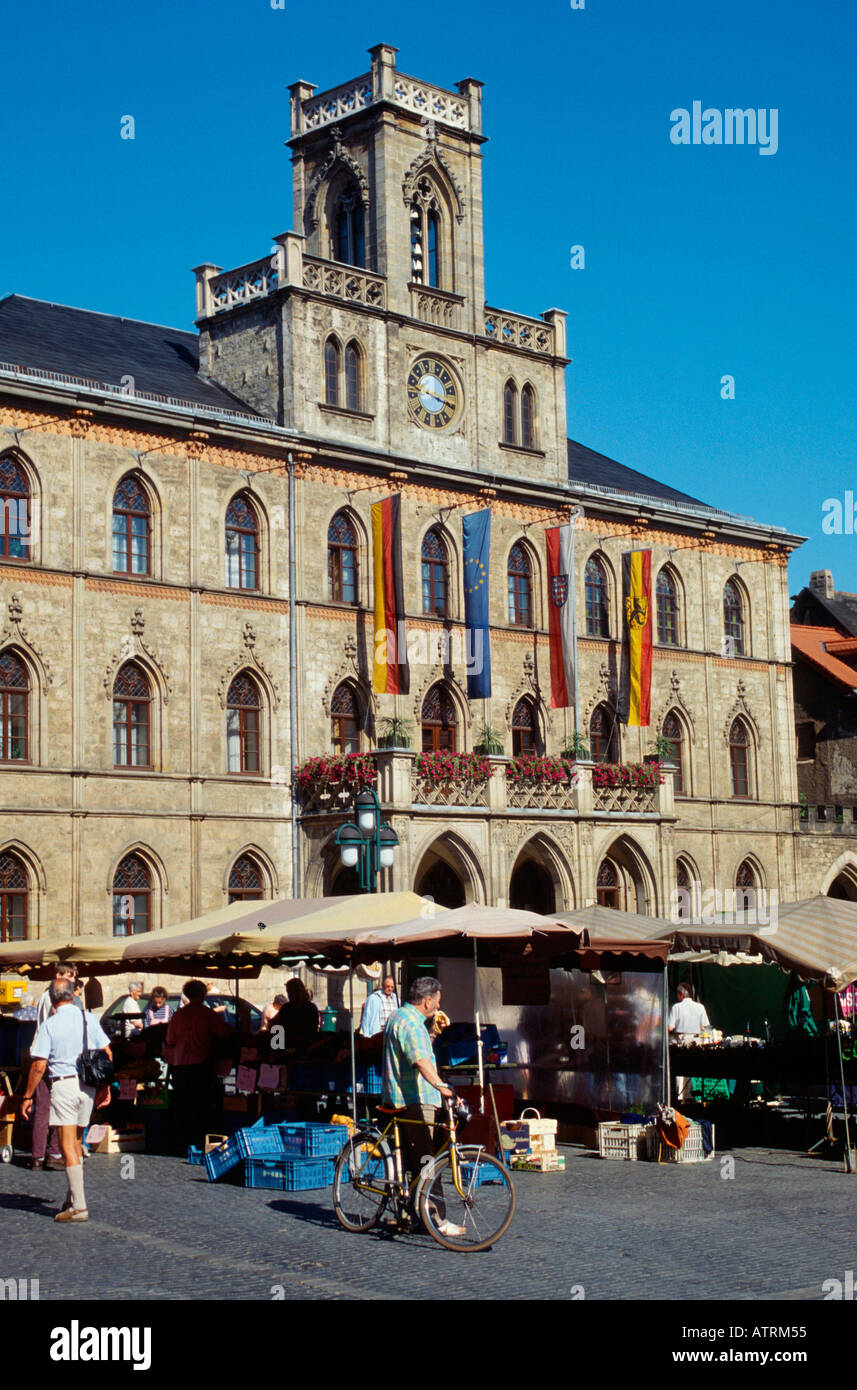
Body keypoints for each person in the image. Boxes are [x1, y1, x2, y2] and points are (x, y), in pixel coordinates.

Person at [21, 976, 112, 1222]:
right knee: (77, 1141)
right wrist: (105, 1087)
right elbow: (107, 1052)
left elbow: (39, 1064)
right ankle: (72, 1197)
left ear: (52, 998)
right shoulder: (88, 1018)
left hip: (64, 1085)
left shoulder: (51, 1024)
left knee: (66, 1146)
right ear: (73, 995)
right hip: (88, 1087)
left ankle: (79, 1206)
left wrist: (27, 1096)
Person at [382, 976, 462, 1238]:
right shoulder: (412, 1025)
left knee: (412, 1162)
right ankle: (435, 1219)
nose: (438, 1007)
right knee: (429, 1162)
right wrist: (442, 1086)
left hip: (396, 1098)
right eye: (437, 1002)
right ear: (428, 1001)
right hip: (415, 1100)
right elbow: (420, 1061)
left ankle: (411, 1214)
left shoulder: (398, 1017)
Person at [163, 979, 234, 1152]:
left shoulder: (178, 1014)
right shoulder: (207, 1014)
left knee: (181, 1101)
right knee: (198, 1102)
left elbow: (170, 1039)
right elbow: (225, 1032)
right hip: (200, 1063)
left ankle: (180, 1139)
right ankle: (196, 1138)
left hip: (179, 1064)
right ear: (203, 994)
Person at [31, 964, 78, 1171]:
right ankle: (53, 1153)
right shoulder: (53, 1000)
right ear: (58, 976)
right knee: (56, 1107)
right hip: (52, 1056)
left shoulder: (44, 997)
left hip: (43, 1053)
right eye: (70, 976)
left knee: (44, 1108)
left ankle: (38, 1156)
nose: (73, 980)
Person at [668, 982, 711, 1102]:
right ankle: (693, 1098)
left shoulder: (676, 1007)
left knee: (680, 1075)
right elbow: (706, 1027)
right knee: (694, 1072)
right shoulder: (700, 1007)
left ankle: (680, 1098)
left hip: (681, 1046)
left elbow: (670, 1028)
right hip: (697, 1045)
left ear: (681, 994)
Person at [269, 979, 320, 1052]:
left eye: (291, 992)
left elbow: (311, 1032)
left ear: (299, 991)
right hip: (286, 1048)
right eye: (288, 992)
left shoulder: (310, 1008)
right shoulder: (286, 1008)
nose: (289, 995)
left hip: (304, 1049)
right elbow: (275, 1024)